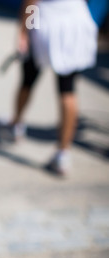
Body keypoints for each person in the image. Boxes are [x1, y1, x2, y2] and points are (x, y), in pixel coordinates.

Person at [5, 0, 98, 176]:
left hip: (47, 26)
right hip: (75, 25)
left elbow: (30, 2)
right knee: (68, 90)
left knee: (28, 81)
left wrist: (24, 33)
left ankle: (16, 125)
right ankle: (63, 154)